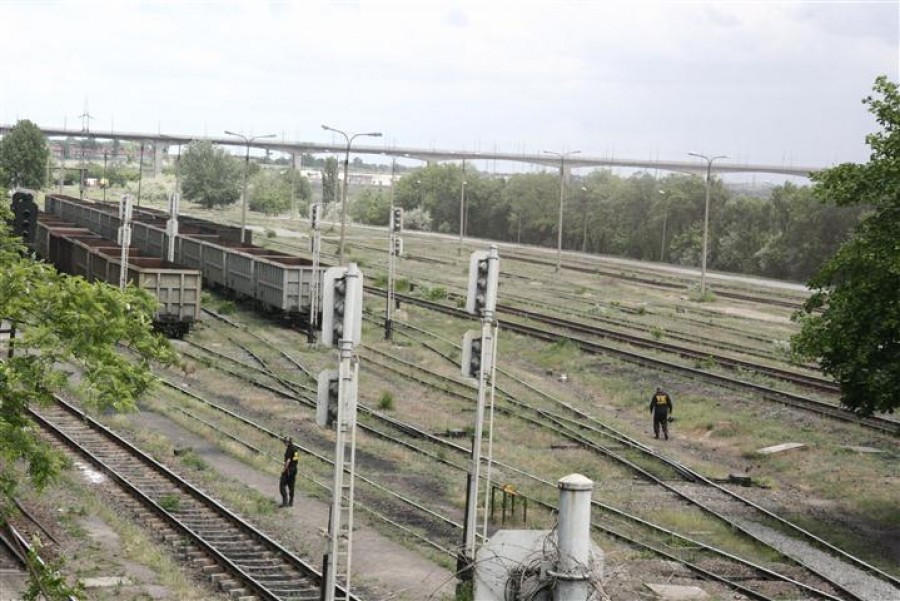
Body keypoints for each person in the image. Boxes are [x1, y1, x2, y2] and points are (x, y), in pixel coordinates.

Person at [279, 436, 300, 507]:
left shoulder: (289, 449)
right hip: (294, 469)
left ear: (288, 442)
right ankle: (291, 502)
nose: (284, 443)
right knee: (291, 486)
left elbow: (288, 460)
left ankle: (285, 502)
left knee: (282, 484)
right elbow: (296, 459)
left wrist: (284, 470)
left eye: (284, 442)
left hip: (289, 469)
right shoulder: (295, 449)